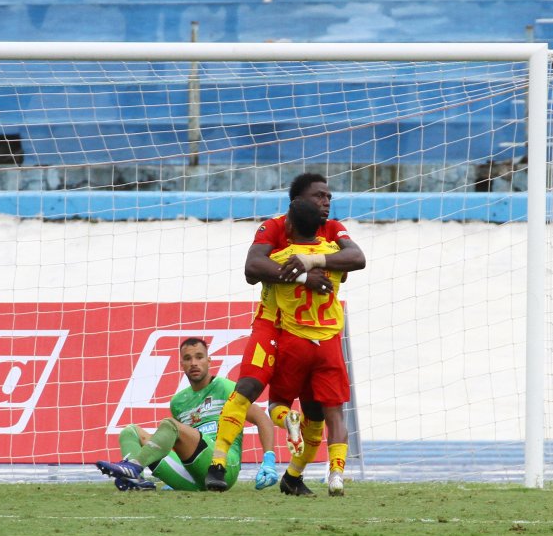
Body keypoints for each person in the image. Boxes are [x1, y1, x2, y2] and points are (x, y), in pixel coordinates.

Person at [205, 173, 365, 496]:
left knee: (311, 410)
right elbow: (252, 266)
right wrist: (304, 276)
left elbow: (357, 257)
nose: (326, 202)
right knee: (249, 388)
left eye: (329, 197)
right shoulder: (275, 226)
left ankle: (293, 476)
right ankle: (217, 464)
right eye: (319, 196)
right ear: (298, 201)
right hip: (273, 324)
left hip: (301, 333)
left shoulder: (332, 229)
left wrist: (310, 261)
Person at [94, 337, 279, 492]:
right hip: (192, 475)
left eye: (199, 357)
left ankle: (133, 466)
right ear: (181, 364)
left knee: (170, 425)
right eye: (188, 358)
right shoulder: (178, 402)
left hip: (223, 469)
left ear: (209, 361)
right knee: (130, 431)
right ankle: (137, 481)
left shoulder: (226, 387)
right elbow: (181, 444)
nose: (194, 363)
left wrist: (268, 460)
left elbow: (262, 419)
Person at [257, 198, 351, 496]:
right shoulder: (334, 254)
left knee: (276, 403)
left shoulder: (282, 257)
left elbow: (255, 273)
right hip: (329, 344)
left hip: (294, 342)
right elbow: (348, 270)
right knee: (335, 414)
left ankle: (289, 420)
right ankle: (336, 473)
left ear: (289, 225)